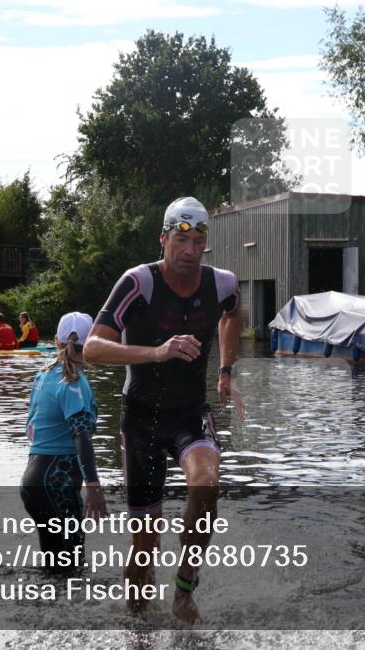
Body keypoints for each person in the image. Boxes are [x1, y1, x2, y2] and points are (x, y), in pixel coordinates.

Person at [83, 196, 244, 625]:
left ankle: (184, 591)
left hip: (190, 412)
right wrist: (156, 352)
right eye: (181, 240)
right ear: (164, 239)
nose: (190, 250)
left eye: (198, 241)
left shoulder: (223, 284)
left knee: (207, 485)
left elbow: (232, 315)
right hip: (141, 419)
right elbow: (92, 348)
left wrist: (225, 370)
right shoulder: (138, 283)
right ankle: (138, 631)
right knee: (145, 545)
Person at [19, 312, 106, 572]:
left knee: (54, 568)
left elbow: (31, 426)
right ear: (92, 344)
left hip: (33, 481)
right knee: (71, 568)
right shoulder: (74, 382)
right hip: (57, 484)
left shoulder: (43, 374)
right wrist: (94, 485)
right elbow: (81, 434)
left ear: (57, 340)